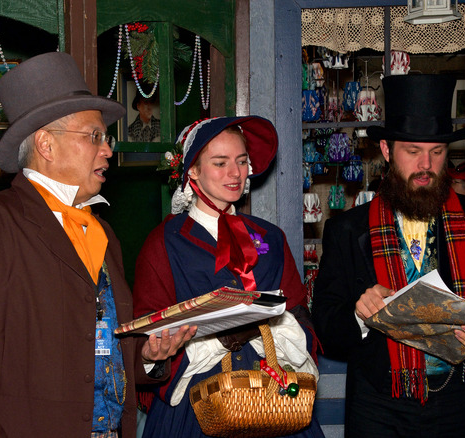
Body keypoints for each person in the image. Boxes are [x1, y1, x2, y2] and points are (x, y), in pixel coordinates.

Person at [0, 52, 195, 438]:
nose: (108, 150)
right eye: (95, 136)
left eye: (106, 138)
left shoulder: (104, 234)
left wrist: (146, 356)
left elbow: (95, 345)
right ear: (46, 145)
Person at [312, 74, 465, 438]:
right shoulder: (346, 229)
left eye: (436, 153)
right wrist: (359, 314)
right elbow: (327, 328)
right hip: (380, 406)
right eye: (413, 152)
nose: (426, 165)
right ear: (388, 151)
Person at [132, 116, 325, 437]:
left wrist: (273, 327)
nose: (235, 173)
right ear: (192, 170)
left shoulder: (271, 237)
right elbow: (147, 337)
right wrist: (210, 339)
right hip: (198, 406)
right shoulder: (164, 242)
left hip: (274, 399)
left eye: (242, 161)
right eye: (220, 163)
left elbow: (301, 316)